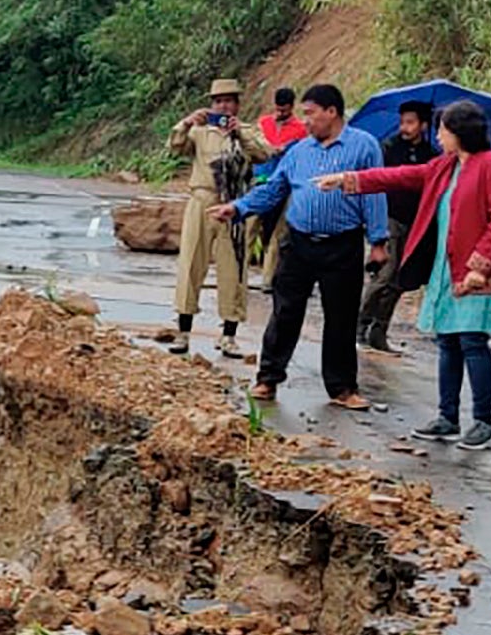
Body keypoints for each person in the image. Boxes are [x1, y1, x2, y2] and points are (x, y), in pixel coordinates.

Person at [313, 99, 491, 449]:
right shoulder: (445, 167)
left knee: (472, 342)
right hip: (446, 266)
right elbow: (402, 176)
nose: (437, 136)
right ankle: (447, 417)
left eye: (442, 129)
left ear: (459, 132)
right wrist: (349, 180)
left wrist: (479, 266)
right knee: (447, 342)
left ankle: (483, 420)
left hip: (473, 271)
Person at [209, 83, 389, 409]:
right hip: (299, 242)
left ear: (331, 112)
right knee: (285, 312)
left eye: (311, 114)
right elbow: (274, 190)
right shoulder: (299, 151)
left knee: (341, 317)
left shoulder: (364, 147)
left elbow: (374, 193)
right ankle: (268, 378)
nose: (305, 121)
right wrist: (238, 208)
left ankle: (342, 388)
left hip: (343, 245)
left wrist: (378, 241)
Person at [164, 78, 274, 359]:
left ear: (237, 104)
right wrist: (187, 123)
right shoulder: (200, 132)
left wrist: (240, 134)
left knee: (234, 269)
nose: (223, 106)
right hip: (202, 200)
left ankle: (229, 336)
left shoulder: (247, 131)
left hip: (235, 205)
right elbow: (174, 147)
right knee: (191, 263)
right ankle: (183, 331)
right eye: (218, 101)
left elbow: (264, 154)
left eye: (229, 100)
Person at [357, 99, 438, 354]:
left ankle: (379, 331)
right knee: (384, 274)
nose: (405, 127)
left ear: (424, 125)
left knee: (400, 280)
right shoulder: (388, 148)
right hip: (389, 217)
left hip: (417, 223)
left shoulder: (432, 156)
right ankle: (360, 325)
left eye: (411, 122)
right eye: (403, 122)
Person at [250, 87, 306, 286]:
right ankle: (237, 276)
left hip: (285, 184)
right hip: (260, 181)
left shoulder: (301, 129)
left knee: (279, 233)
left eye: (284, 110)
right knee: (250, 227)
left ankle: (269, 279)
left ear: (291, 107)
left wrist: (286, 149)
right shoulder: (263, 123)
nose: (280, 113)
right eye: (278, 109)